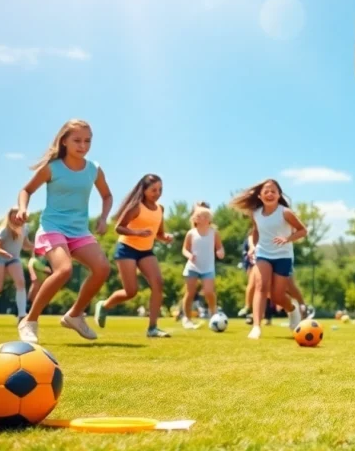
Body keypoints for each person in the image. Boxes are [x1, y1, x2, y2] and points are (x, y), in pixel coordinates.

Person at [14, 119, 113, 344]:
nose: (83, 145)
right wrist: (22, 208)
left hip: (79, 230)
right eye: (77, 140)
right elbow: (26, 190)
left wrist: (104, 217)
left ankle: (75, 315)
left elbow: (107, 195)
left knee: (102, 268)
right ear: (65, 141)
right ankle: (29, 321)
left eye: (87, 141)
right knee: (64, 269)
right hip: (52, 227)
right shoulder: (52, 168)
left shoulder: (93, 169)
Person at [95, 174, 174, 338]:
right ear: (144, 190)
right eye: (153, 190)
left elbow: (158, 233)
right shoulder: (136, 207)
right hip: (127, 249)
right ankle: (105, 305)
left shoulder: (161, 209)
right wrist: (136, 232)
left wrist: (165, 237)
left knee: (158, 283)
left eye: (160, 190)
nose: (157, 193)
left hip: (146, 251)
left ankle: (152, 328)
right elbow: (119, 228)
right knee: (131, 291)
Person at [230, 179, 307, 339]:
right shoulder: (256, 214)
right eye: (266, 191)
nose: (270, 194)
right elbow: (256, 232)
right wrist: (252, 247)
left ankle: (292, 309)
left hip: (283, 256)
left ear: (279, 195)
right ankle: (256, 326)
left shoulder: (285, 212)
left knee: (278, 295)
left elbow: (303, 230)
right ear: (260, 196)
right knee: (261, 286)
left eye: (273, 191)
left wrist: (288, 239)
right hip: (263, 253)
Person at [180, 203, 225, 329]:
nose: (203, 218)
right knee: (190, 293)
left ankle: (214, 314)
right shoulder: (191, 233)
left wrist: (220, 252)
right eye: (200, 216)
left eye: (206, 216)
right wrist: (189, 255)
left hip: (208, 268)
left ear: (210, 219)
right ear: (195, 219)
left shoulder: (214, 233)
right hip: (192, 267)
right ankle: (187, 319)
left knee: (209, 292)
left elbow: (220, 247)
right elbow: (184, 249)